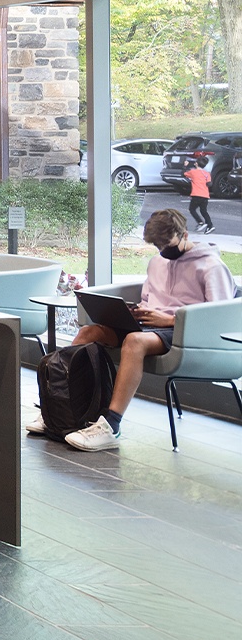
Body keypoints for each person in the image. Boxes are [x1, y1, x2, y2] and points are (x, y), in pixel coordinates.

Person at [60, 208, 236, 451]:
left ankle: (111, 425)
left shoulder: (211, 266)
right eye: (158, 246)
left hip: (185, 333)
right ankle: (63, 409)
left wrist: (170, 320)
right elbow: (150, 299)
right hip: (150, 326)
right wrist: (136, 311)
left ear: (184, 234)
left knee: (134, 341)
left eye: (168, 244)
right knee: (90, 332)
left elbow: (220, 316)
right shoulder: (158, 262)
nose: (163, 251)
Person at [186, 157, 214, 234]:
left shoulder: (193, 172)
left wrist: (185, 166)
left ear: (196, 164)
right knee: (203, 211)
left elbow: (184, 173)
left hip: (196, 194)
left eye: (195, 162)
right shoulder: (207, 173)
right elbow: (209, 183)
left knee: (192, 209)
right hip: (205, 195)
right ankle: (210, 225)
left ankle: (200, 222)